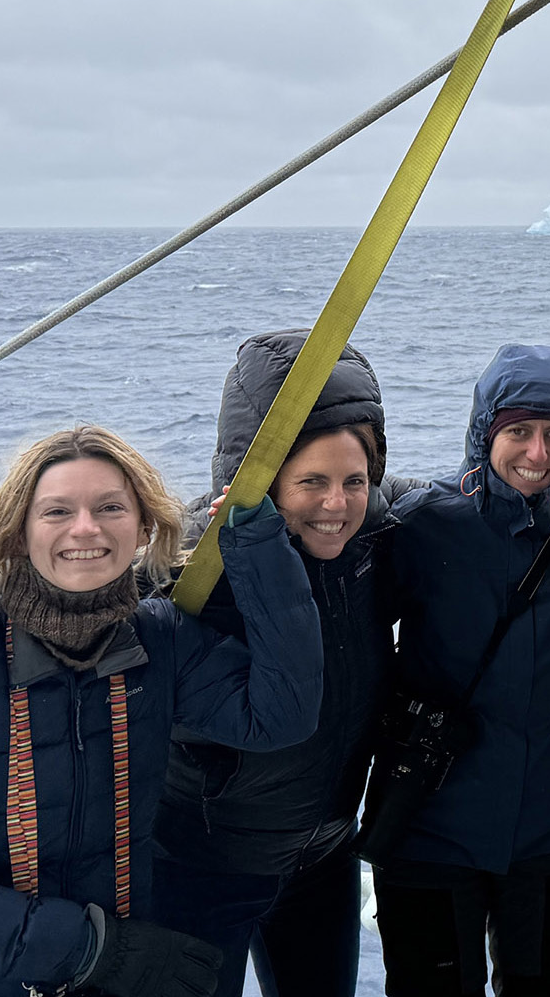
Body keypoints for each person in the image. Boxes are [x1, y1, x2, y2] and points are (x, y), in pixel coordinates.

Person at [0, 425, 323, 997]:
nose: (86, 528)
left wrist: (257, 548)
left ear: (145, 526)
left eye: (110, 507)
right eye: (56, 511)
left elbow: (279, 715)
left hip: (97, 979)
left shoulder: (160, 639)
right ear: (18, 533)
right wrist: (97, 951)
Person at [152, 330, 412, 997]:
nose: (336, 504)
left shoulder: (373, 534)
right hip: (203, 866)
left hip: (325, 857)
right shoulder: (186, 569)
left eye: (354, 480)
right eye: (312, 483)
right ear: (262, 480)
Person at [367, 343, 550, 997]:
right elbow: (343, 622)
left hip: (546, 834)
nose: (537, 453)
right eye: (519, 432)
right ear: (485, 432)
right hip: (430, 828)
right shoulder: (424, 523)